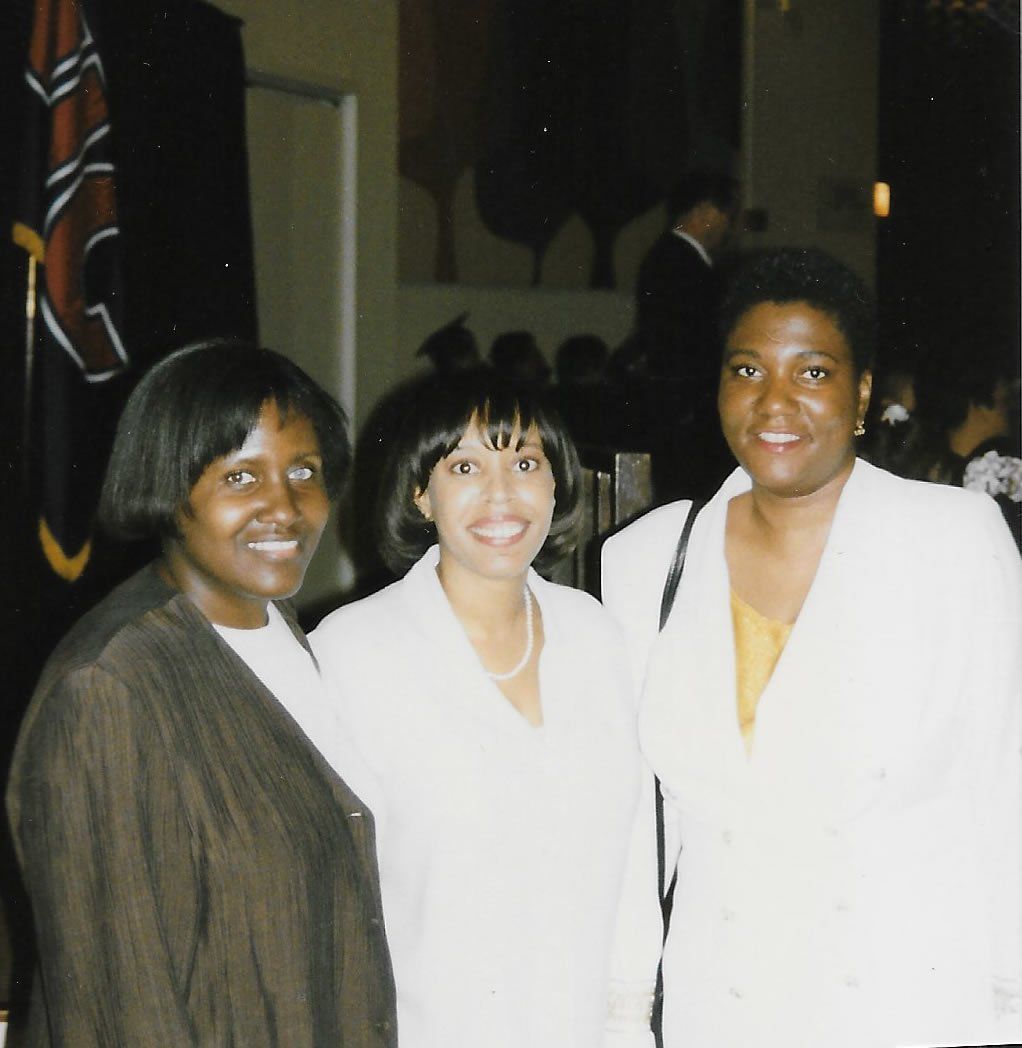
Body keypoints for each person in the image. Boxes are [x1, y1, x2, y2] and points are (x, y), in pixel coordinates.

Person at [602, 248, 1022, 1047]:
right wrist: (624, 1014)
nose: (775, 401)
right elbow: (637, 828)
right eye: (748, 370)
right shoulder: (648, 560)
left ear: (861, 394)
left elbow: (1010, 789)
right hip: (721, 1007)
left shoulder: (953, 542)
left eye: (814, 372)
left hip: (904, 1005)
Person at [6, 341, 396, 1046]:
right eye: (241, 477)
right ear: (165, 485)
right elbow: (118, 1005)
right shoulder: (110, 686)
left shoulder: (278, 629)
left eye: (303, 471)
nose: (285, 507)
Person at [312, 372, 659, 1048]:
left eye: (525, 464)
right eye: (465, 467)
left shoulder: (596, 634)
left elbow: (636, 851)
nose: (501, 494)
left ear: (556, 484)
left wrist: (629, 1024)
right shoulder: (353, 653)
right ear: (420, 493)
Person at [634, 170, 740, 502]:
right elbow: (689, 345)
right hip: (689, 410)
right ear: (705, 211)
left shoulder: (671, 258)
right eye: (727, 214)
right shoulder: (680, 264)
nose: (729, 226)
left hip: (681, 407)